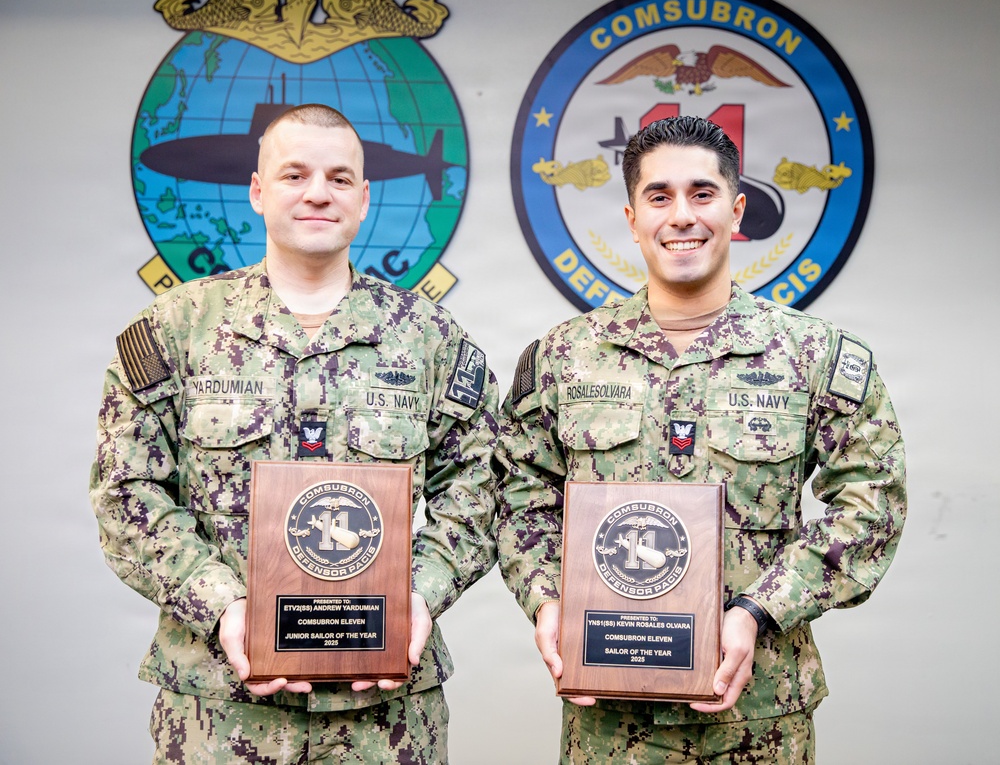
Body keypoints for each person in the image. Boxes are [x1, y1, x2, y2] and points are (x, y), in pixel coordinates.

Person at [90, 104, 499, 763]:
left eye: (340, 178)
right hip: (220, 711)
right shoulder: (178, 329)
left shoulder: (429, 338)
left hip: (385, 714)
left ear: (364, 200)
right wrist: (223, 606)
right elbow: (125, 492)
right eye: (294, 174)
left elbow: (485, 485)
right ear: (258, 191)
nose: (317, 192)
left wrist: (420, 594)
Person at [493, 116, 905, 763]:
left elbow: (872, 504)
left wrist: (759, 610)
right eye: (659, 196)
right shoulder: (561, 358)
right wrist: (546, 599)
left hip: (760, 715)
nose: (681, 215)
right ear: (632, 217)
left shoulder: (817, 356)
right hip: (610, 717)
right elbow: (521, 497)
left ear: (736, 209)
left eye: (702, 193)